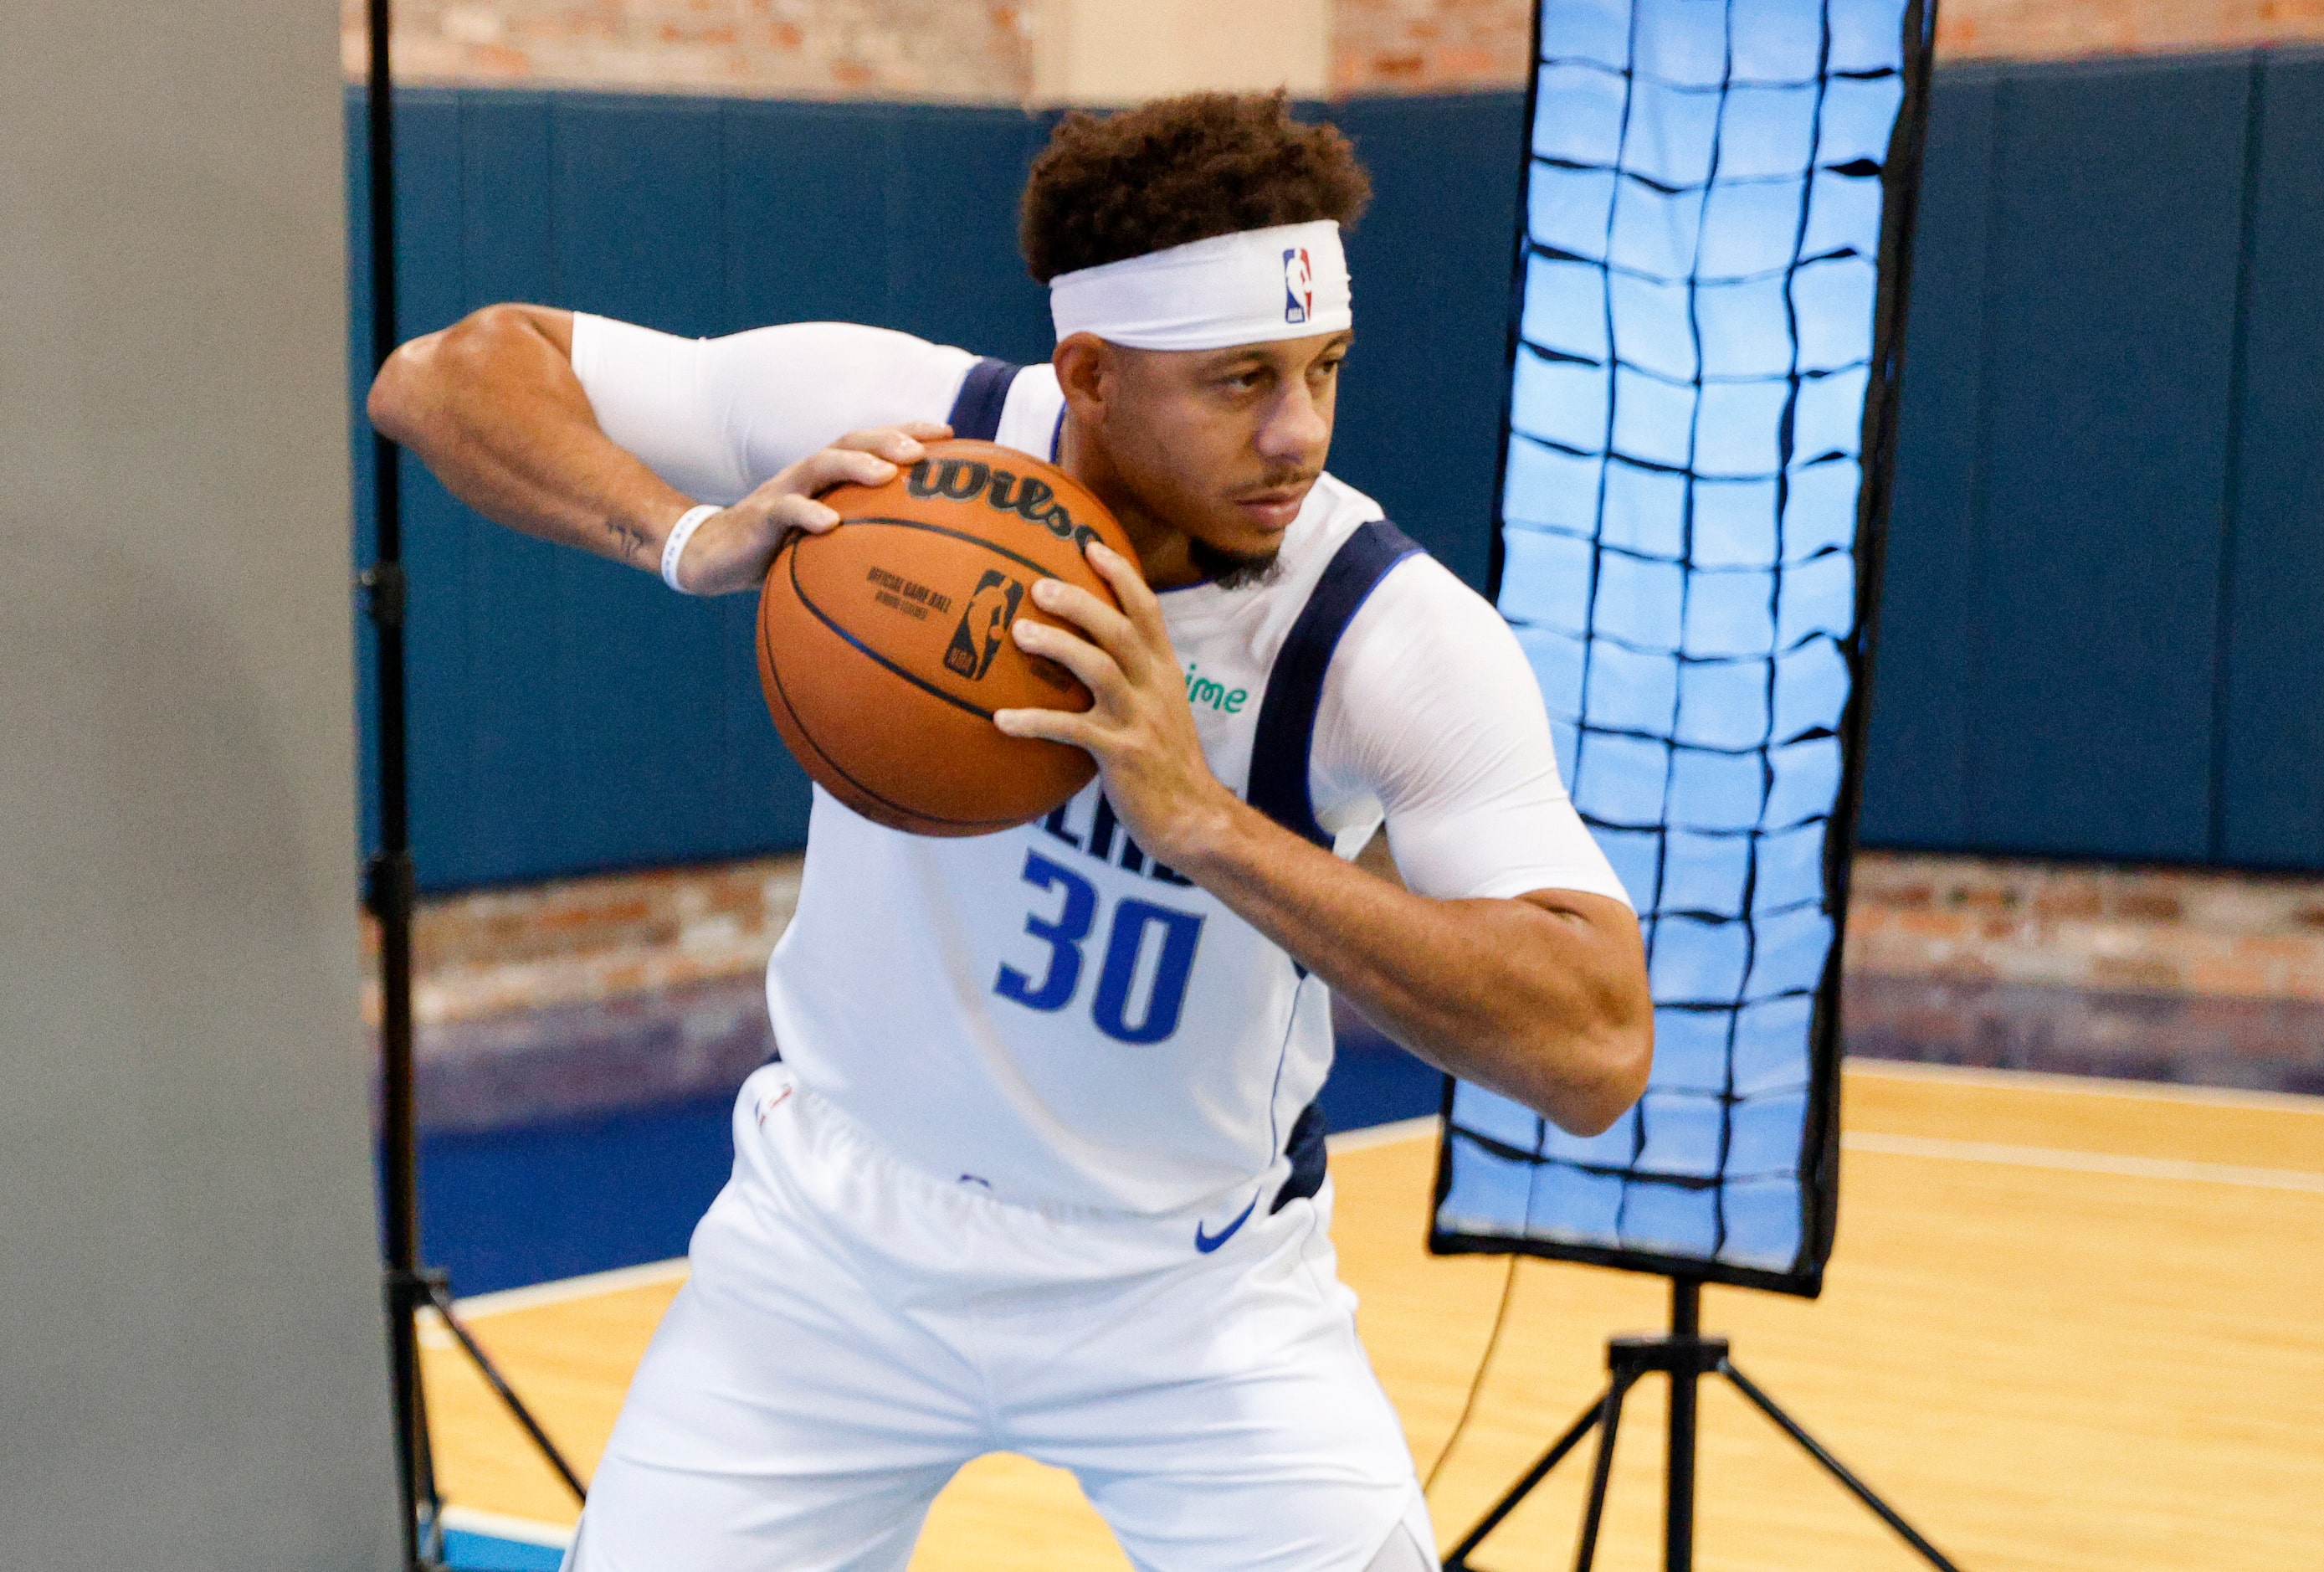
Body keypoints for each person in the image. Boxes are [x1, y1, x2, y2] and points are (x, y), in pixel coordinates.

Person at [370, 90, 1651, 1572]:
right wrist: (685, 535)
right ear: (1091, 370)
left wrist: (1208, 826)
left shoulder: (1382, 631)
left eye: (1323, 368)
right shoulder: (903, 444)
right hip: (835, 1248)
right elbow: (446, 374)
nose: (1296, 430)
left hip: (1192, 1284)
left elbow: (1597, 1046)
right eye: (1239, 378)